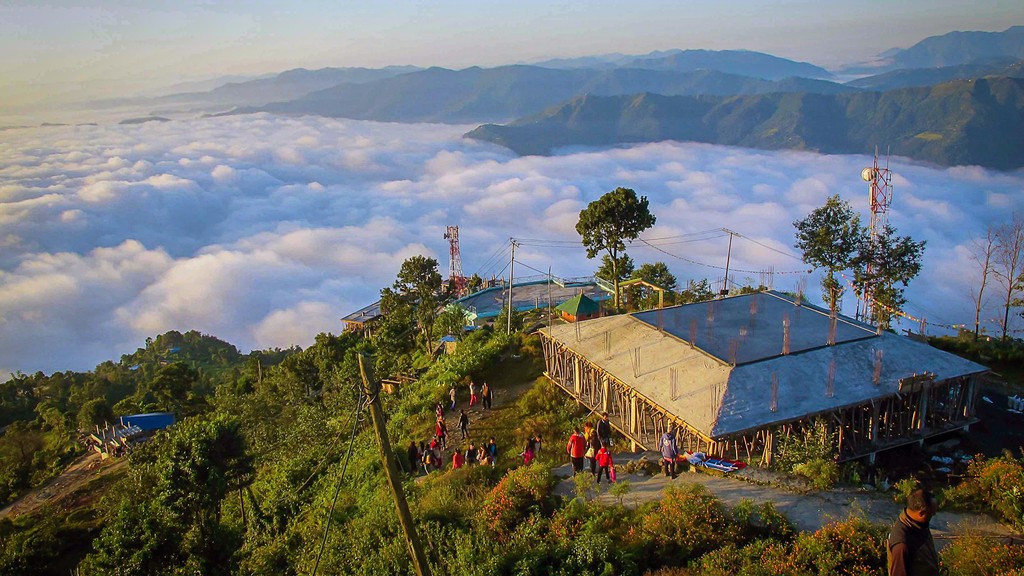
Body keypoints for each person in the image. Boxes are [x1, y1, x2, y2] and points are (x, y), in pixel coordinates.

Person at [887, 488, 940, 576]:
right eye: (932, 513)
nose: (933, 515)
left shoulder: (919, 524)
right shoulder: (901, 544)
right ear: (922, 513)